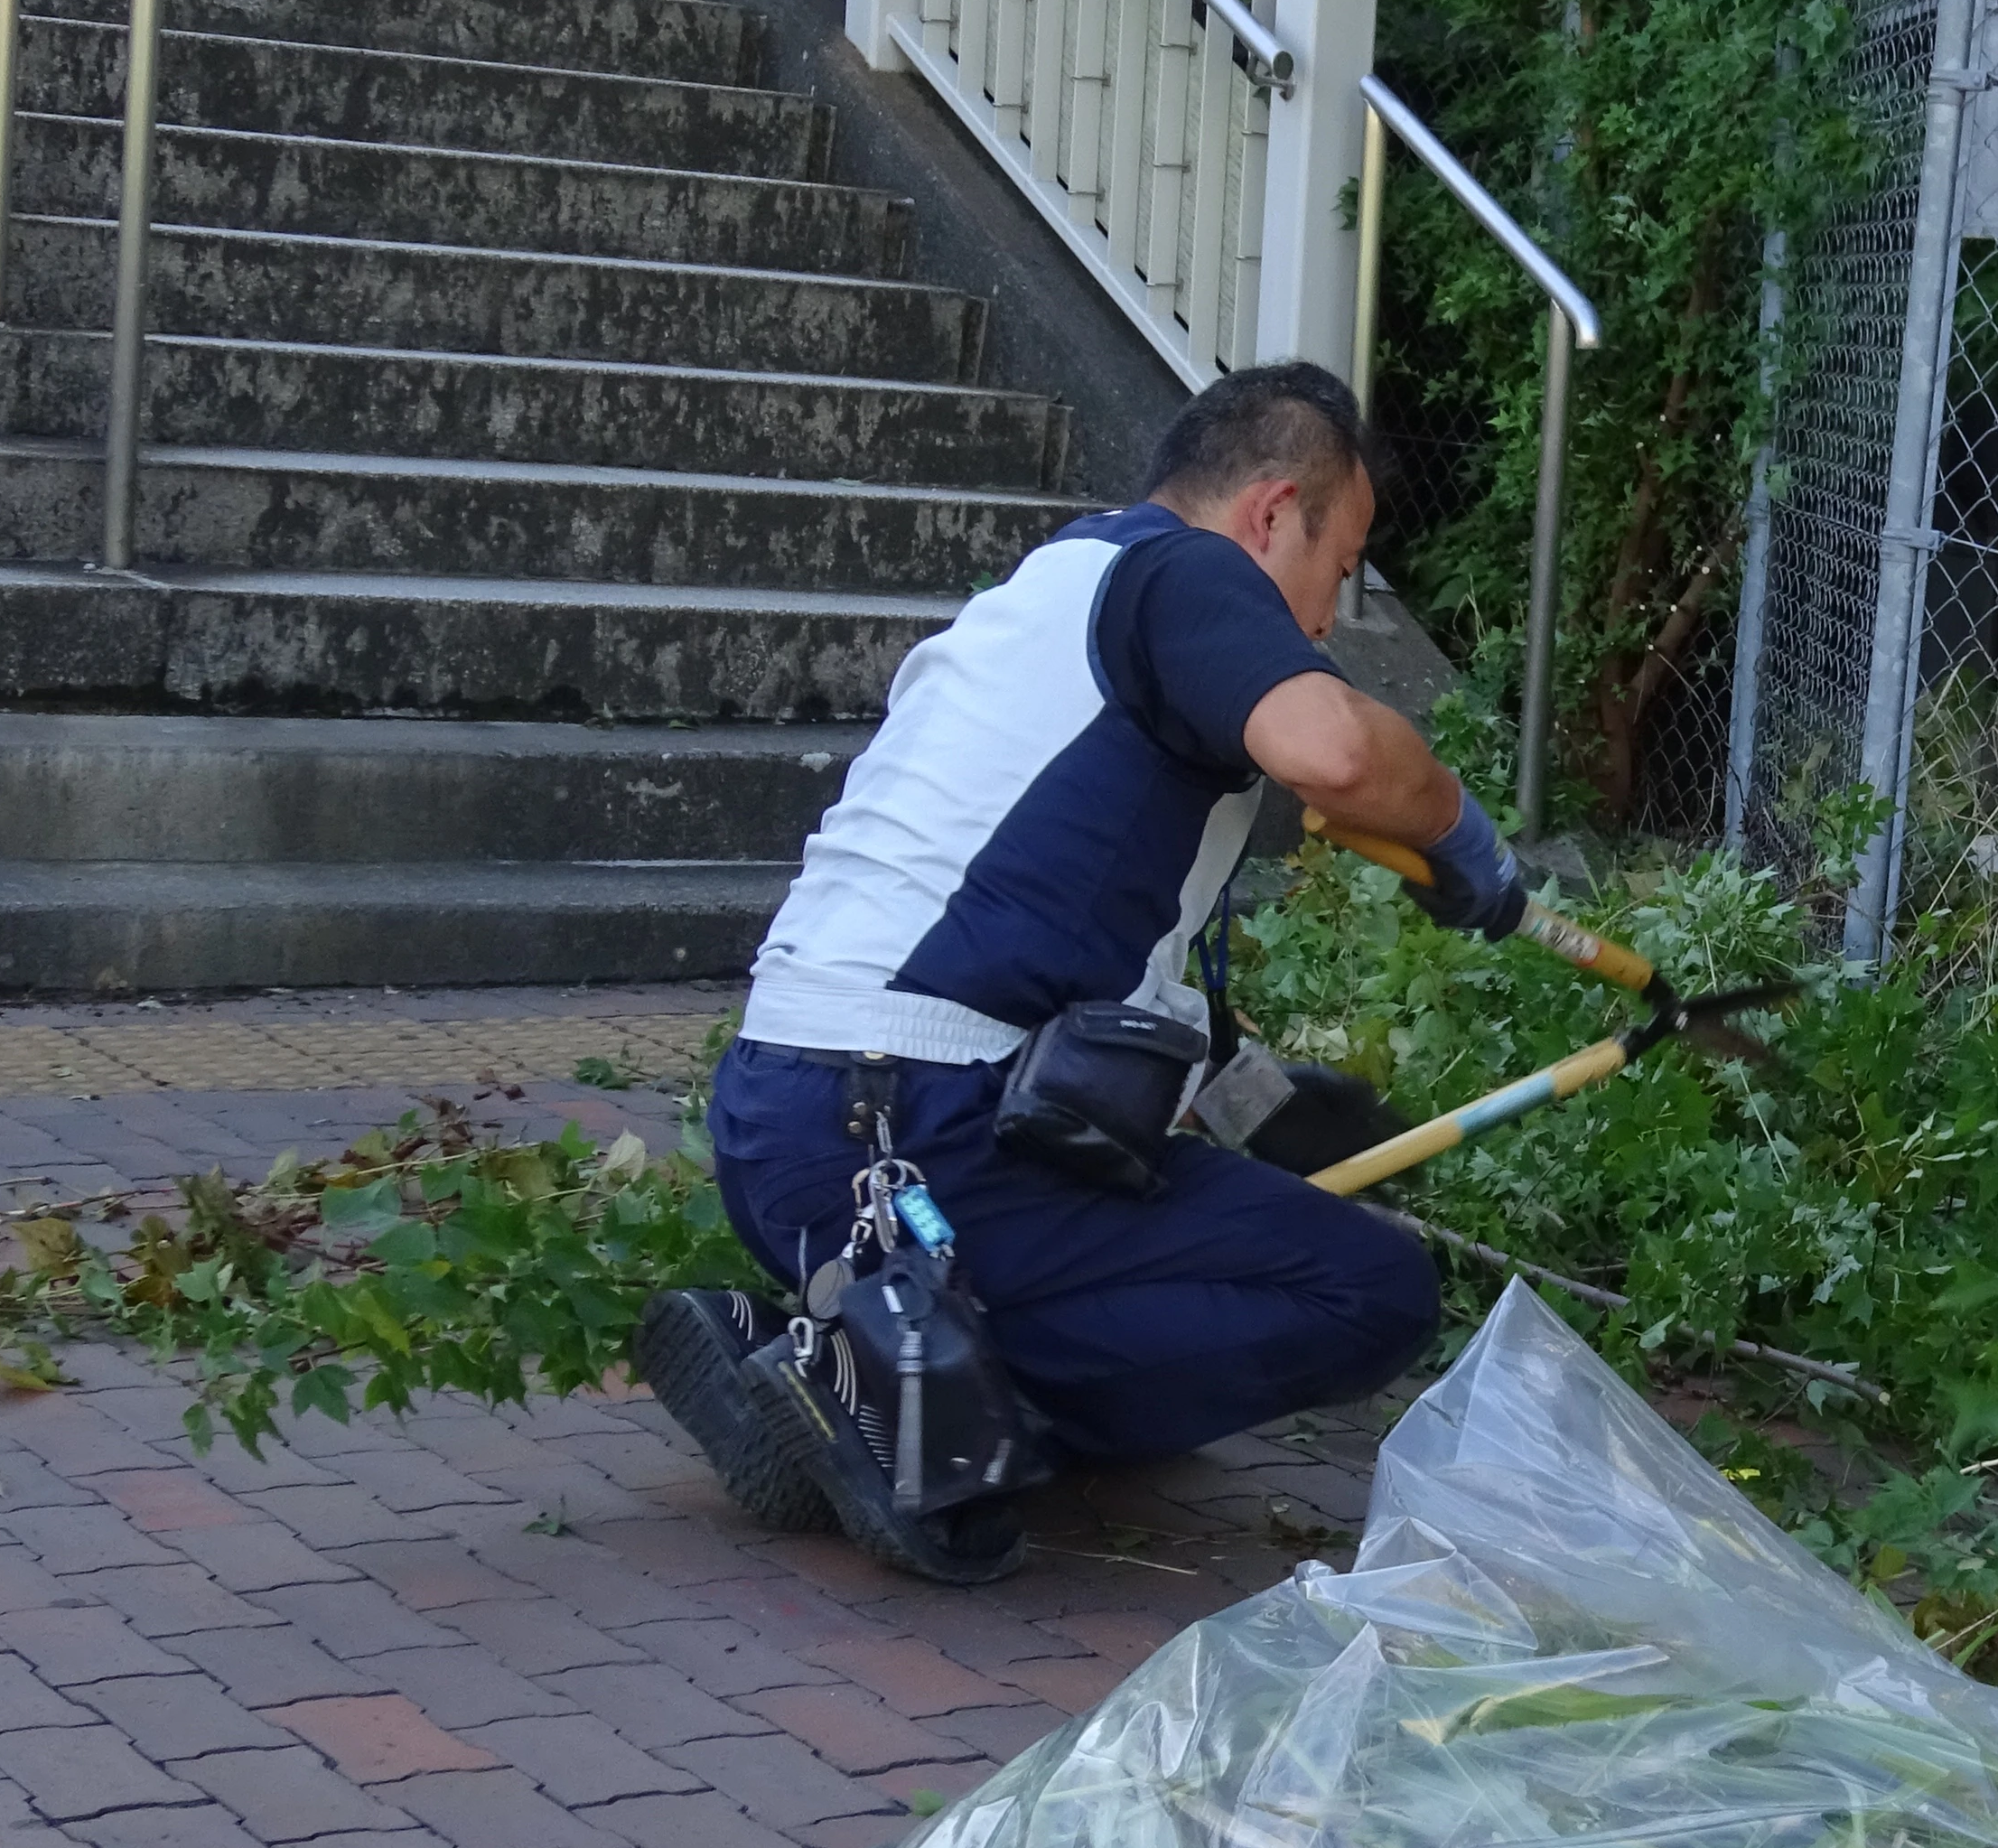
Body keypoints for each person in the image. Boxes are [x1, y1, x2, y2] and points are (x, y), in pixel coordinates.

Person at [643, 362, 1523, 1582]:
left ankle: (854, 1335)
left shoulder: (1049, 587)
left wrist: (1260, 1102)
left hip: (783, 1121)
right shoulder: (1192, 574)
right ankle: (913, 1410)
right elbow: (1331, 750)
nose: (1325, 619)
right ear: (1273, 515)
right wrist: (1455, 831)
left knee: (1252, 1235)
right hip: (914, 1129)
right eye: (1340, 562)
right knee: (1368, 1288)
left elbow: (1085, 952)